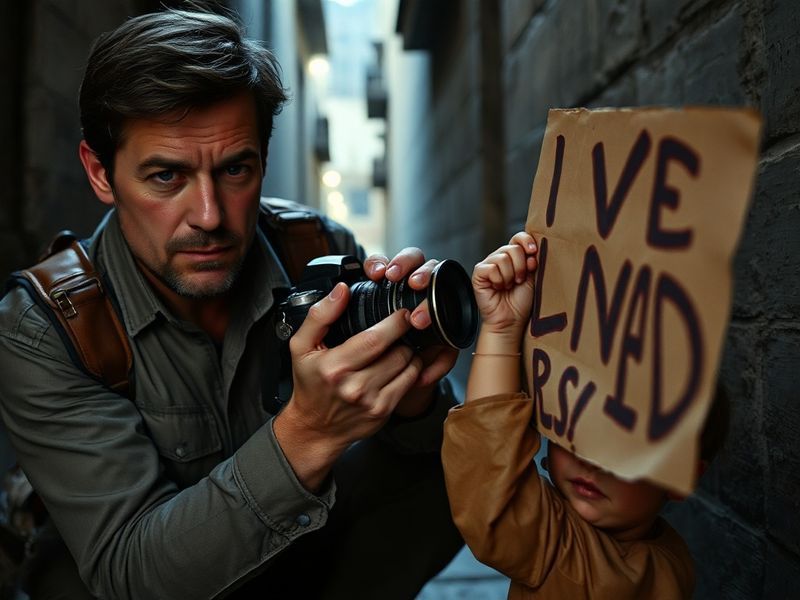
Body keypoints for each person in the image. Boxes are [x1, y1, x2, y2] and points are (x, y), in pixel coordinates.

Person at [0, 8, 463, 599]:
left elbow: (428, 469)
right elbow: (130, 574)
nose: (210, 216)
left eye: (235, 169)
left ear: (264, 160)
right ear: (100, 173)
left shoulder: (318, 253)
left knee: (449, 472)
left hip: (305, 569)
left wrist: (414, 399)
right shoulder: (44, 329)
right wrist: (307, 433)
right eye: (166, 177)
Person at [441, 232, 728, 599]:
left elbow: (491, 490)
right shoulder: (670, 556)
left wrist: (501, 330)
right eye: (579, 423)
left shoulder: (587, 565)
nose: (592, 458)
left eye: (625, 443)